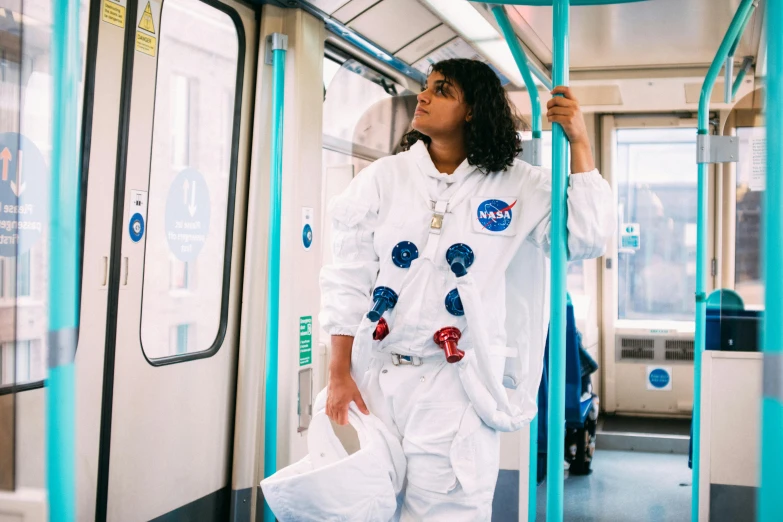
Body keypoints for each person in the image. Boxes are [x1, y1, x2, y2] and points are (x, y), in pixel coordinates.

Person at [319, 58, 614, 521]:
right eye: (426, 86)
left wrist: (579, 140)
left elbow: (585, 239)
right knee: (368, 509)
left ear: (473, 110)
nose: (424, 95)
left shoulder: (517, 185)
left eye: (442, 89)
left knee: (447, 512)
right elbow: (347, 281)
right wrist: (339, 373)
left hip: (454, 385)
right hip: (378, 380)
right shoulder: (384, 179)